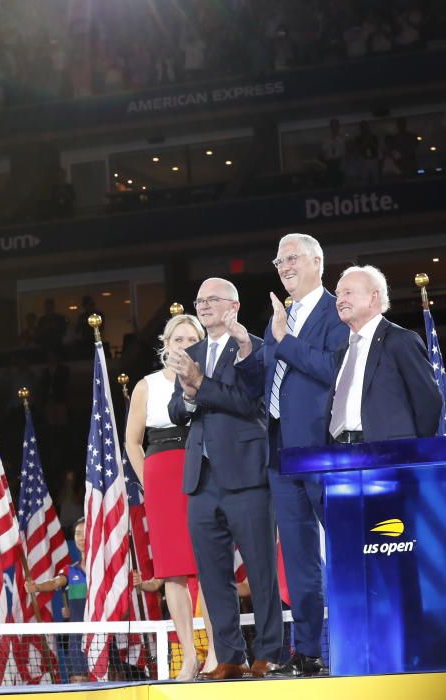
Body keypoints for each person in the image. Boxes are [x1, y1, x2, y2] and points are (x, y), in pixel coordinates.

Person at [233, 233, 347, 677]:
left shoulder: (334, 312)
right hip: (281, 451)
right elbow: (262, 386)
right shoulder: (283, 315)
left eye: (292, 258)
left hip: (322, 449)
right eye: (278, 260)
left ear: (318, 261)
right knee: (298, 558)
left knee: (346, 549)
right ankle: (308, 652)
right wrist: (249, 349)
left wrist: (282, 338)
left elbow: (331, 370)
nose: (283, 266)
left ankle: (356, 636)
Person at [167, 279, 283, 680]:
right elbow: (176, 411)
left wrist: (201, 386)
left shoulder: (254, 347)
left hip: (247, 475)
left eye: (211, 299)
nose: (203, 305)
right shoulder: (191, 352)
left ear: (233, 305)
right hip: (201, 481)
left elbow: (252, 405)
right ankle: (230, 656)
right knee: (213, 575)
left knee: (261, 570)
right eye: (198, 300)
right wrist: (186, 394)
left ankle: (269, 653)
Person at [124, 314, 217, 680]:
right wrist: (148, 479)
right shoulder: (147, 386)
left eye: (191, 338)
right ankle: (189, 657)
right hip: (162, 475)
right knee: (174, 572)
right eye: (177, 339)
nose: (183, 344)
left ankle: (216, 653)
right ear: (166, 344)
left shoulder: (209, 380)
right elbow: (132, 441)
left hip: (202, 470)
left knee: (208, 566)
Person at [329, 266, 443, 443]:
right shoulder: (341, 349)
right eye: (338, 294)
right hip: (342, 456)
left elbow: (429, 402)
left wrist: (409, 448)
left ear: (373, 297)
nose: (340, 300)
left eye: (348, 293)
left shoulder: (401, 341)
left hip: (390, 455)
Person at [24, 517, 88, 682]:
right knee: (79, 684)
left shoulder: (105, 570)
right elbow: (54, 582)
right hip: (77, 640)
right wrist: (37, 586)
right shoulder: (69, 571)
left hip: (102, 637)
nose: (81, 537)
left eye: (85, 533)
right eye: (77, 534)